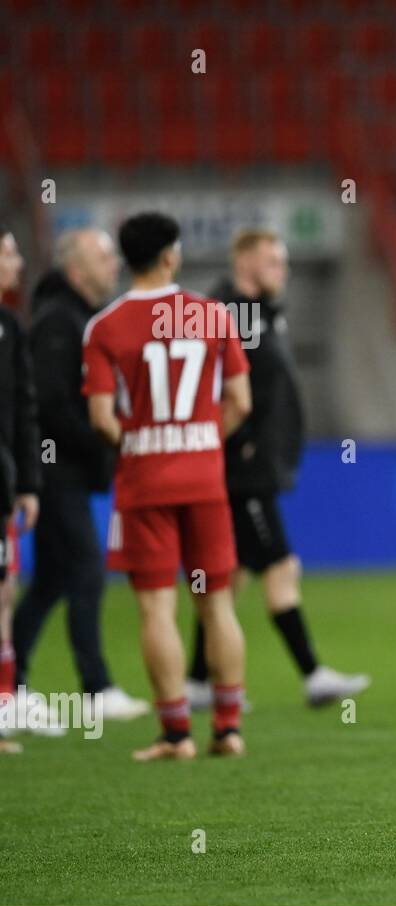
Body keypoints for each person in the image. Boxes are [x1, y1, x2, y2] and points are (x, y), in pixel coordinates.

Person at [83, 211, 252, 760]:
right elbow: (240, 402)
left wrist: (139, 443)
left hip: (145, 486)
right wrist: (201, 441)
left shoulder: (105, 327)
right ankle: (228, 727)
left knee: (156, 608)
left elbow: (103, 418)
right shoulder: (213, 315)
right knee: (215, 602)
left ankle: (176, 733)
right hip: (205, 480)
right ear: (170, 256)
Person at [186, 228, 368, 710]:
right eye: (272, 261)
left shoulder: (262, 313)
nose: (282, 270)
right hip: (242, 469)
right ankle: (312, 675)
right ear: (244, 261)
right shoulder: (234, 312)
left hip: (255, 464)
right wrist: (239, 443)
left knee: (233, 572)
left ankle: (198, 680)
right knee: (282, 566)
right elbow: (218, 385)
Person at [12, 229, 149, 722]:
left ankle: (12, 680)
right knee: (88, 568)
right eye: (103, 255)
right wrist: (103, 438)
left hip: (64, 468)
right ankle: (96, 687)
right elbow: (49, 403)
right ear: (76, 270)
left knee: (51, 580)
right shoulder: (58, 321)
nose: (114, 263)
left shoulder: (77, 317)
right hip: (56, 470)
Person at [0, 223, 41, 753]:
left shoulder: (10, 327)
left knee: (4, 595)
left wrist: (28, 482)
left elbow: (24, 411)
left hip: (1, 485)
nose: (17, 259)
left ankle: (5, 705)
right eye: (7, 250)